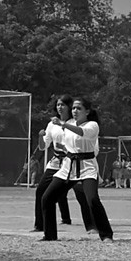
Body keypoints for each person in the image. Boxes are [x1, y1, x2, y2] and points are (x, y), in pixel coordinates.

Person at [40, 97, 113, 242]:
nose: (75, 111)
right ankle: (50, 235)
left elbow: (81, 132)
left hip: (87, 167)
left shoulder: (92, 125)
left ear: (87, 111)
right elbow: (64, 141)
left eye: (79, 108)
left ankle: (106, 235)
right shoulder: (68, 124)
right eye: (73, 108)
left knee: (92, 199)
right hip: (68, 166)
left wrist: (62, 124)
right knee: (47, 198)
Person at [33, 95, 92, 233]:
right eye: (58, 105)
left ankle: (91, 225)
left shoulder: (75, 122)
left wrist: (65, 146)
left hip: (72, 161)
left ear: (69, 107)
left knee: (81, 194)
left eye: (63, 105)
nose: (60, 107)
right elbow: (43, 146)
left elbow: (80, 141)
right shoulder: (51, 124)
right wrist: (41, 137)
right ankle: (40, 225)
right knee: (41, 191)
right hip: (56, 162)